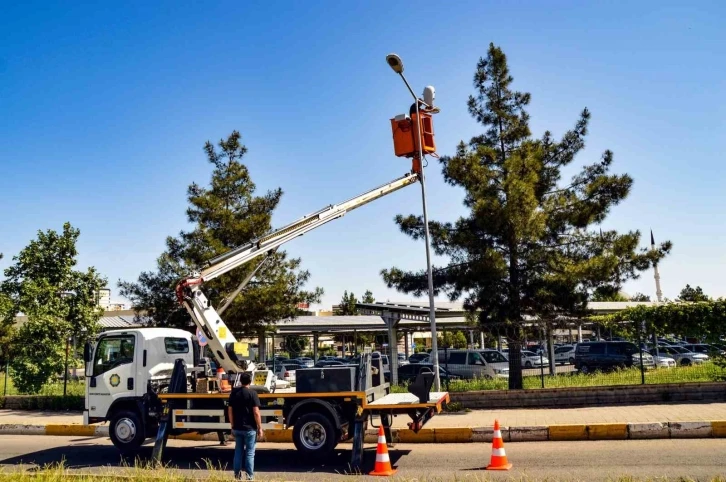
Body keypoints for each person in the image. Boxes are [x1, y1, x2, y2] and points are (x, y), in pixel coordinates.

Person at [228, 372, 263, 480]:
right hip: (250, 429)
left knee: (238, 452)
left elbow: (230, 410)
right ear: (250, 381)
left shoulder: (234, 393)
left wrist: (232, 426)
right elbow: (256, 412)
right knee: (249, 453)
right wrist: (260, 427)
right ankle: (249, 477)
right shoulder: (252, 394)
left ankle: (237, 476)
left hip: (237, 428)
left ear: (240, 381)